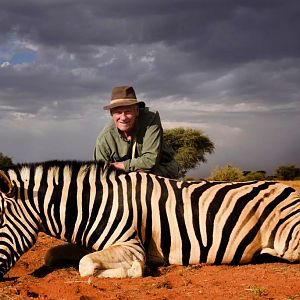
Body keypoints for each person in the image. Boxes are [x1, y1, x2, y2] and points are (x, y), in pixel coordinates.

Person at [93, 85, 179, 179]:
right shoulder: (104, 139)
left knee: (139, 178)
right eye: (118, 112)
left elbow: (150, 161)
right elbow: (101, 172)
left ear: (137, 111)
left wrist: (118, 166)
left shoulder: (151, 118)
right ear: (111, 114)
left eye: (128, 111)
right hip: (123, 178)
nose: (123, 117)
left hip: (161, 169)